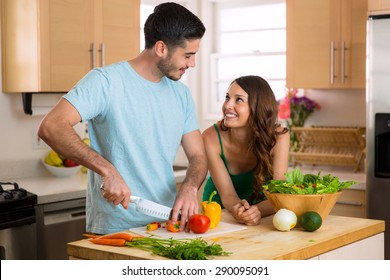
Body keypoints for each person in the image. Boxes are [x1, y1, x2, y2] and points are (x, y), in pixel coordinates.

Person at [38, 3, 207, 234]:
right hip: (115, 230)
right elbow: (51, 126)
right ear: (161, 48)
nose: (192, 63)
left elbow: (198, 155)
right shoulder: (105, 82)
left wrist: (190, 186)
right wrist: (107, 170)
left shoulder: (181, 94)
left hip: (165, 227)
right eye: (187, 55)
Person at [202, 75, 290, 226]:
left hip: (264, 208)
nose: (227, 105)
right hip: (219, 208)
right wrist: (240, 210)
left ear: (257, 106)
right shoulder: (210, 137)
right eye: (227, 97)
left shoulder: (279, 137)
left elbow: (278, 193)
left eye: (239, 99)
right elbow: (228, 195)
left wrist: (257, 211)